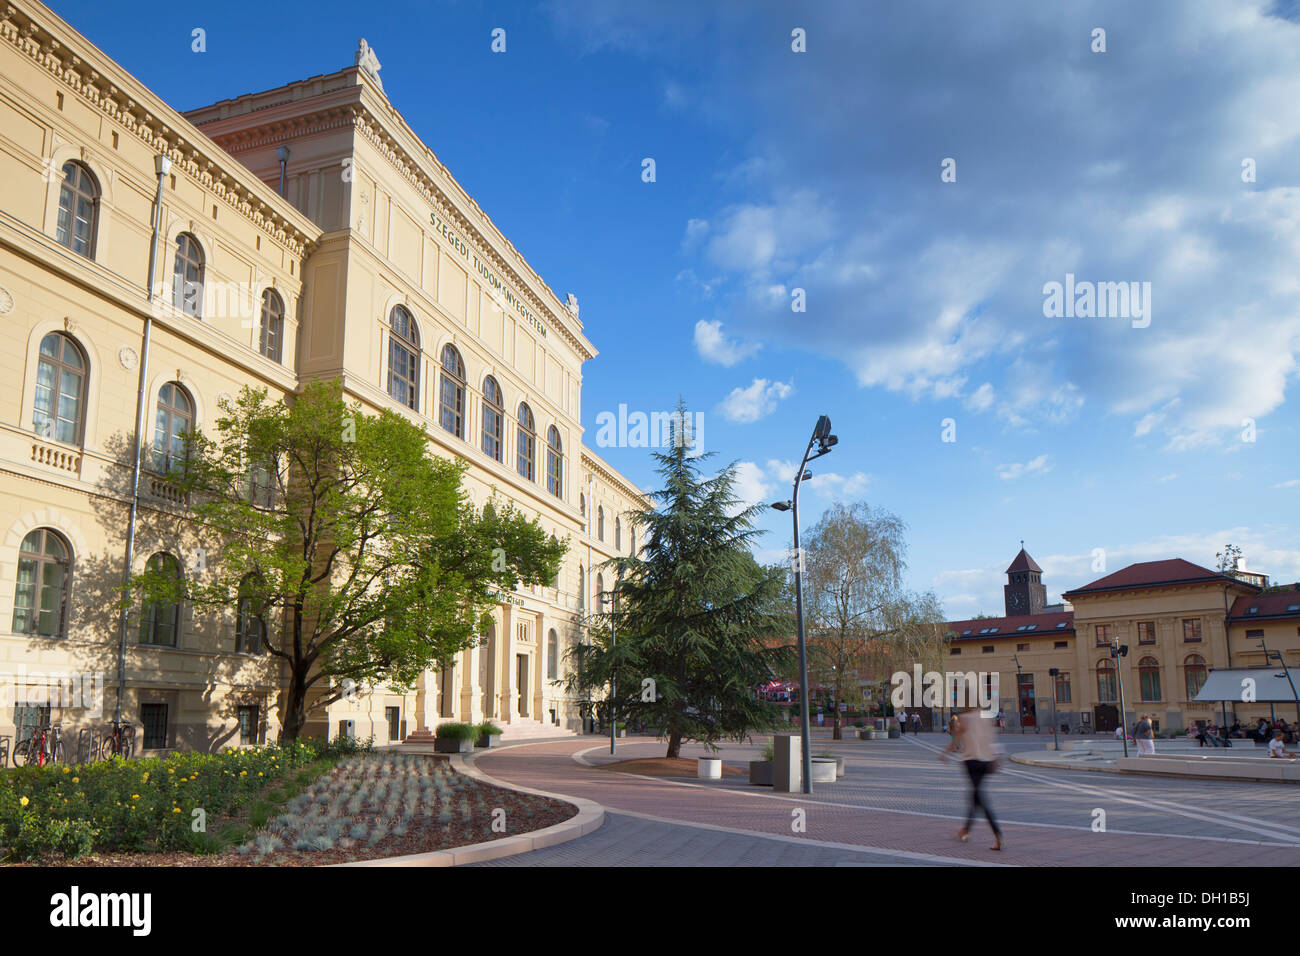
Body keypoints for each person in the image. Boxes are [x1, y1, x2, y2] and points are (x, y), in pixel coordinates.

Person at [941, 707, 1004, 851]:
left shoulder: (965, 718)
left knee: (979, 797)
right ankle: (966, 829)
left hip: (972, 761)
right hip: (986, 761)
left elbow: (956, 740)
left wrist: (945, 753)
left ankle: (998, 834)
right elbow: (991, 738)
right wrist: (996, 756)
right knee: (975, 795)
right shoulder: (987, 717)